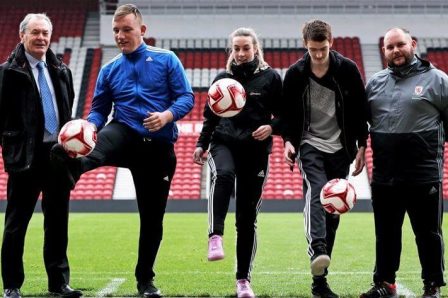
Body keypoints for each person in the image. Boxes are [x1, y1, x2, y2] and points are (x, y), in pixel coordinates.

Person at [51, 4, 194, 298]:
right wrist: (87, 129)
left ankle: (145, 281)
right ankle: (69, 171)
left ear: (142, 30)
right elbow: (99, 110)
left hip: (158, 144)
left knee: (152, 220)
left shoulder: (167, 60)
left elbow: (186, 98)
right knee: (92, 149)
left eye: (126, 29)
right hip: (124, 131)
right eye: (116, 30)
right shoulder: (109, 68)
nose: (120, 35)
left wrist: (166, 116)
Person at [281, 19, 368, 298]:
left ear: (331, 43)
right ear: (305, 46)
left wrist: (362, 147)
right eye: (313, 49)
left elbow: (359, 110)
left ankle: (320, 281)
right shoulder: (295, 73)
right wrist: (288, 142)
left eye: (323, 48)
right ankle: (317, 248)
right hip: (310, 144)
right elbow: (288, 114)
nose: (318, 55)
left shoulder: (347, 70)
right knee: (318, 191)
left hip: (340, 148)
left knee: (333, 210)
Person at [193, 27, 282, 298]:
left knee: (247, 219)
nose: (241, 53)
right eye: (236, 49)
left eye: (246, 48)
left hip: (255, 151)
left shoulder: (271, 79)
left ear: (256, 48)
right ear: (231, 51)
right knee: (224, 174)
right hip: (224, 142)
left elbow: (287, 115)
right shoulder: (222, 79)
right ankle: (215, 236)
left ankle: (243, 280)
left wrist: (272, 128)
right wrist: (201, 143)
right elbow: (210, 117)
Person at [360, 27, 447, 298]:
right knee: (386, 233)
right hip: (385, 174)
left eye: (400, 45)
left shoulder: (438, 80)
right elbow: (362, 123)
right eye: (390, 47)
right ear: (384, 51)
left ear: (413, 44)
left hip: (423, 173)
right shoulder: (374, 83)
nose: (396, 50)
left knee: (428, 233)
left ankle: (432, 285)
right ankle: (385, 284)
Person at [0, 13, 82, 298]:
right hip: (25, 156)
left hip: (57, 156)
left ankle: (59, 283)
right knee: (16, 224)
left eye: (45, 33)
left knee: (58, 222)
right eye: (35, 32)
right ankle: (12, 284)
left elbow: (66, 111)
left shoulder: (62, 70)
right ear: (22, 35)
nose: (41, 38)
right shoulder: (7, 72)